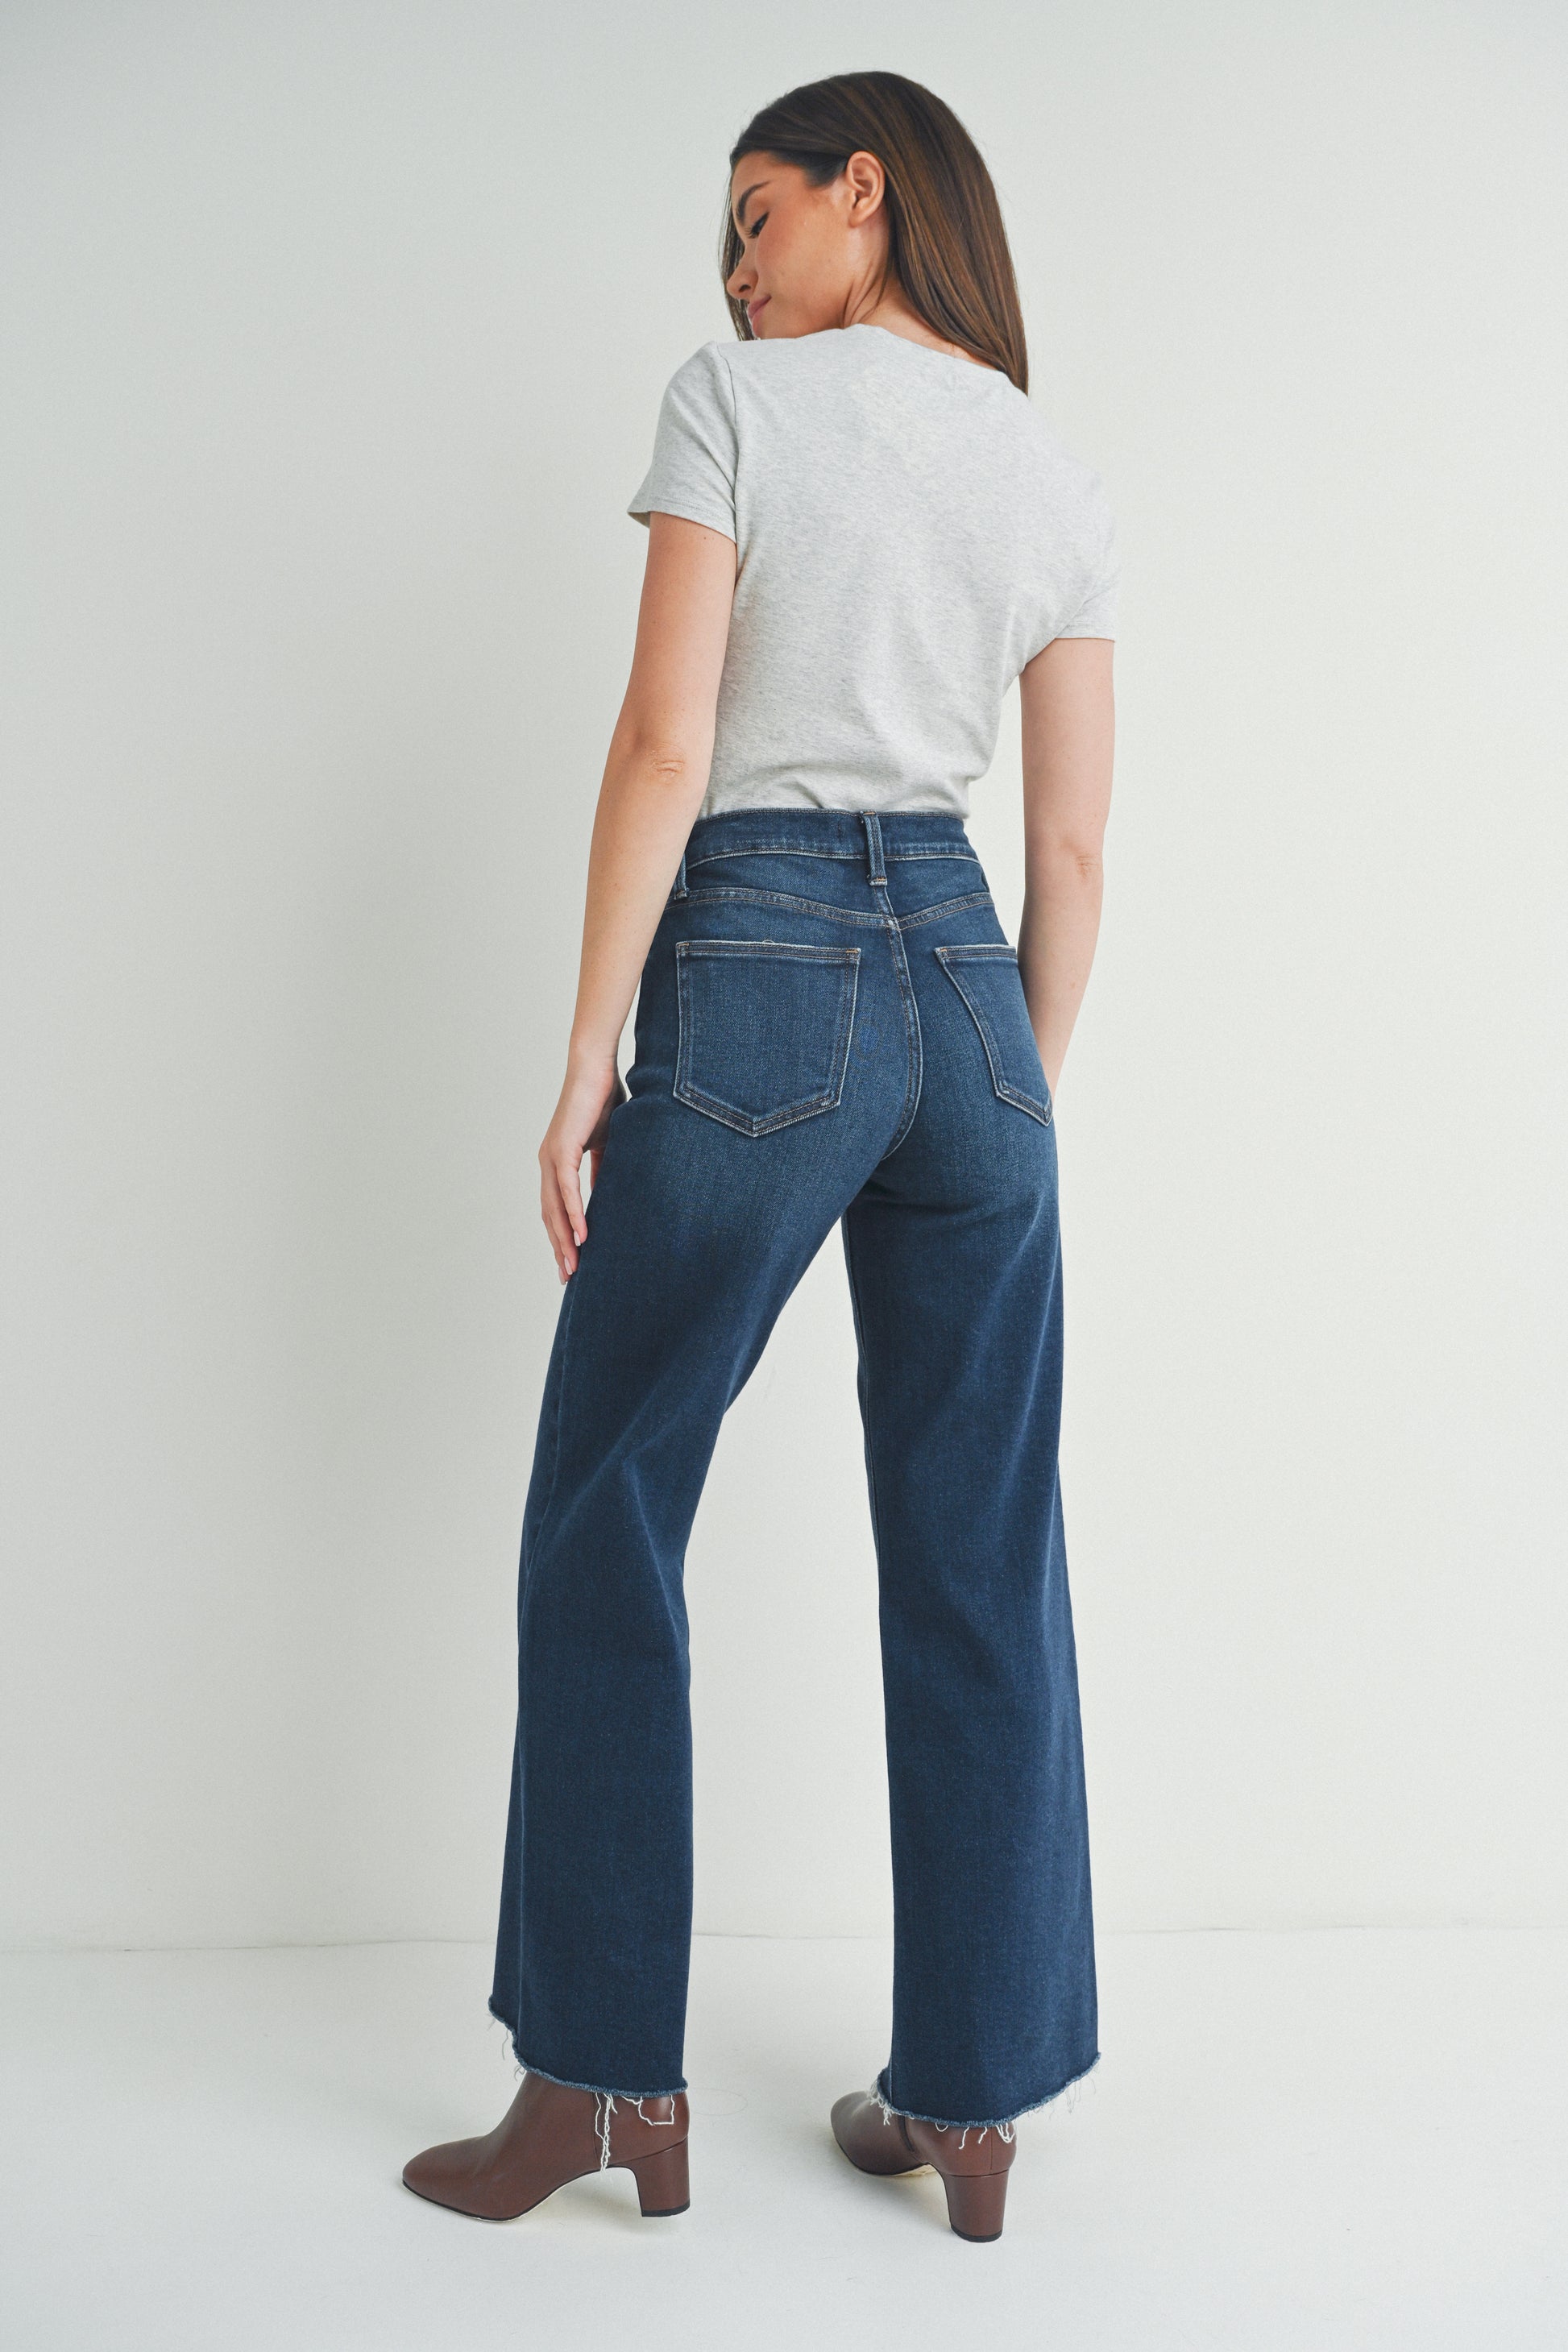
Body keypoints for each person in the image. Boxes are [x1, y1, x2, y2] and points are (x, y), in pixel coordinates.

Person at [402, 68, 1118, 2245]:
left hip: (763, 964)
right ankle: (972, 2104)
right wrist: (1008, 1086)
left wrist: (586, 1048)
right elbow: (1071, 837)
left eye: (753, 213)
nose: (730, 264)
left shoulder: (735, 401)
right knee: (981, 1546)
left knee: (609, 1504)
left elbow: (666, 735)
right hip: (974, 998)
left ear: (863, 195)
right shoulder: (1040, 452)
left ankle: (599, 2088)